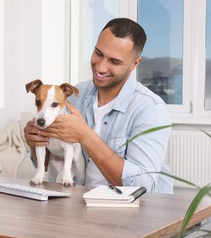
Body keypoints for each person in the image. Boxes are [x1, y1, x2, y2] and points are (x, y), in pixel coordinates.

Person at [24, 18, 173, 193]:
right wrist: (36, 142)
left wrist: (86, 136)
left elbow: (143, 187)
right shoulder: (77, 95)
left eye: (114, 62)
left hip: (134, 211)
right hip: (80, 201)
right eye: (98, 53)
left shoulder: (150, 109)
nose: (101, 67)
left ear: (134, 63)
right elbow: (53, 159)